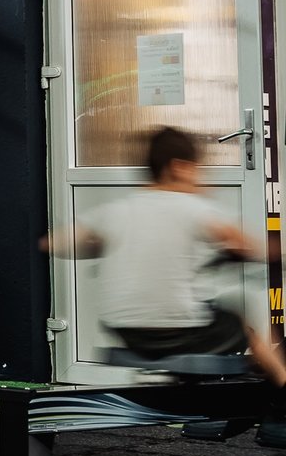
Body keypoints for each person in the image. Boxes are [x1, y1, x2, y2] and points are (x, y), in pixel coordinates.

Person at [43, 125, 286, 386]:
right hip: (182, 332)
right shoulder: (196, 209)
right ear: (179, 167)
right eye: (197, 170)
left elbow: (52, 243)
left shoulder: (118, 210)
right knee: (241, 324)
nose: (200, 179)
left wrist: (106, 246)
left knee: (212, 313)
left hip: (125, 331)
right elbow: (248, 246)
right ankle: (282, 391)